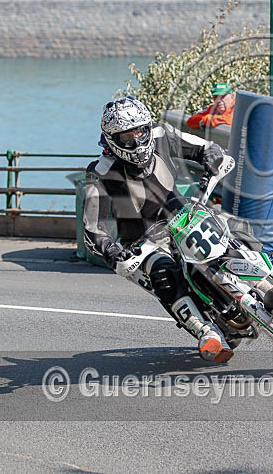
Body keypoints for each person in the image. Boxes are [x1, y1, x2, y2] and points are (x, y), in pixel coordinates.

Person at [84, 96, 235, 363]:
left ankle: (267, 281)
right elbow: (93, 227)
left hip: (183, 214)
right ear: (111, 139)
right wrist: (111, 249)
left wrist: (211, 156)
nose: (137, 140)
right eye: (126, 136)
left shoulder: (162, 134)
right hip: (143, 240)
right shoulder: (100, 172)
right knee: (162, 273)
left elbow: (203, 147)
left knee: (228, 239)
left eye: (140, 131)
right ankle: (206, 333)